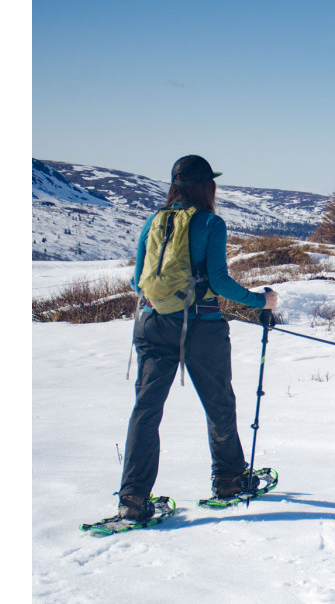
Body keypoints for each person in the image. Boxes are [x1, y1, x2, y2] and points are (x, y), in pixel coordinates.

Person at [116, 155, 279, 521]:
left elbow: (136, 280)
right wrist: (260, 302)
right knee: (219, 403)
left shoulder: (153, 221)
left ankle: (133, 500)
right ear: (207, 186)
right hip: (201, 328)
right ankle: (229, 480)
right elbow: (219, 282)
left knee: (146, 410)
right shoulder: (210, 223)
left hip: (151, 323)